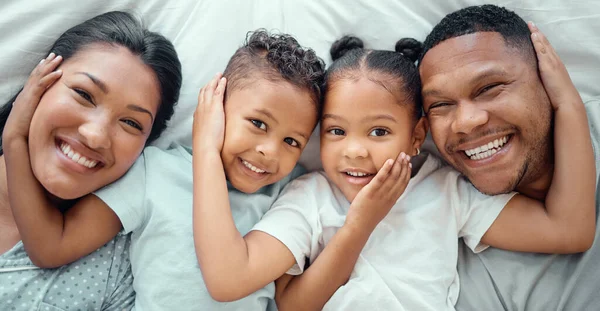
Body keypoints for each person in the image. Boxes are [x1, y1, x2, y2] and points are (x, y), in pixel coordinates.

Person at [193, 30, 594, 311]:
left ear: (417, 135)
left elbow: (569, 231)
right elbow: (243, 285)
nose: (355, 151)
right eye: (336, 131)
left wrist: (568, 105)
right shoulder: (310, 196)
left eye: (379, 131)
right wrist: (207, 151)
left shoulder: (442, 189)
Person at [8, 29, 326, 310]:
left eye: (292, 141)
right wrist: (14, 140)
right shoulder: (155, 173)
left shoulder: (290, 192)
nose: (270, 151)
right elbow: (51, 247)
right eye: (258, 123)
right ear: (215, 105)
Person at [417, 5, 599, 310]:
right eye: (440, 105)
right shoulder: (457, 262)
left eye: (489, 88)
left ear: (546, 79)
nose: (465, 121)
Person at [0, 11, 182, 311]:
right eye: (84, 94)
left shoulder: (123, 270)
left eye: (131, 123)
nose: (95, 136)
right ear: (39, 82)